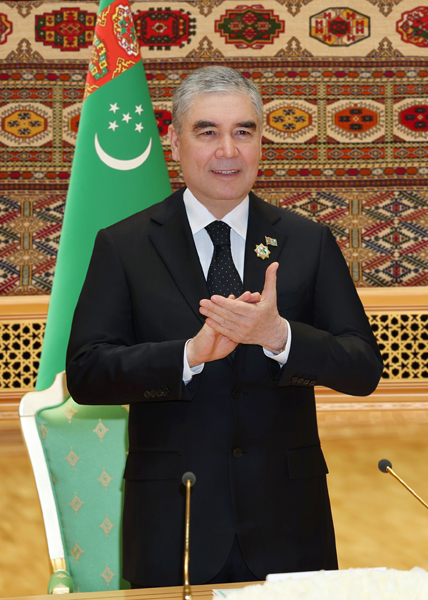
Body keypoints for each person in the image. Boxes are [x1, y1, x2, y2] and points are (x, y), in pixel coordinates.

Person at [66, 66, 383, 588]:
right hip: (174, 518)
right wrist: (187, 355)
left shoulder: (308, 242)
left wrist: (280, 338)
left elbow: (363, 367)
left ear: (261, 143)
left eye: (243, 131)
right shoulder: (124, 246)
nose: (228, 150)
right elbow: (86, 372)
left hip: (288, 522)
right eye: (208, 132)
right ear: (175, 142)